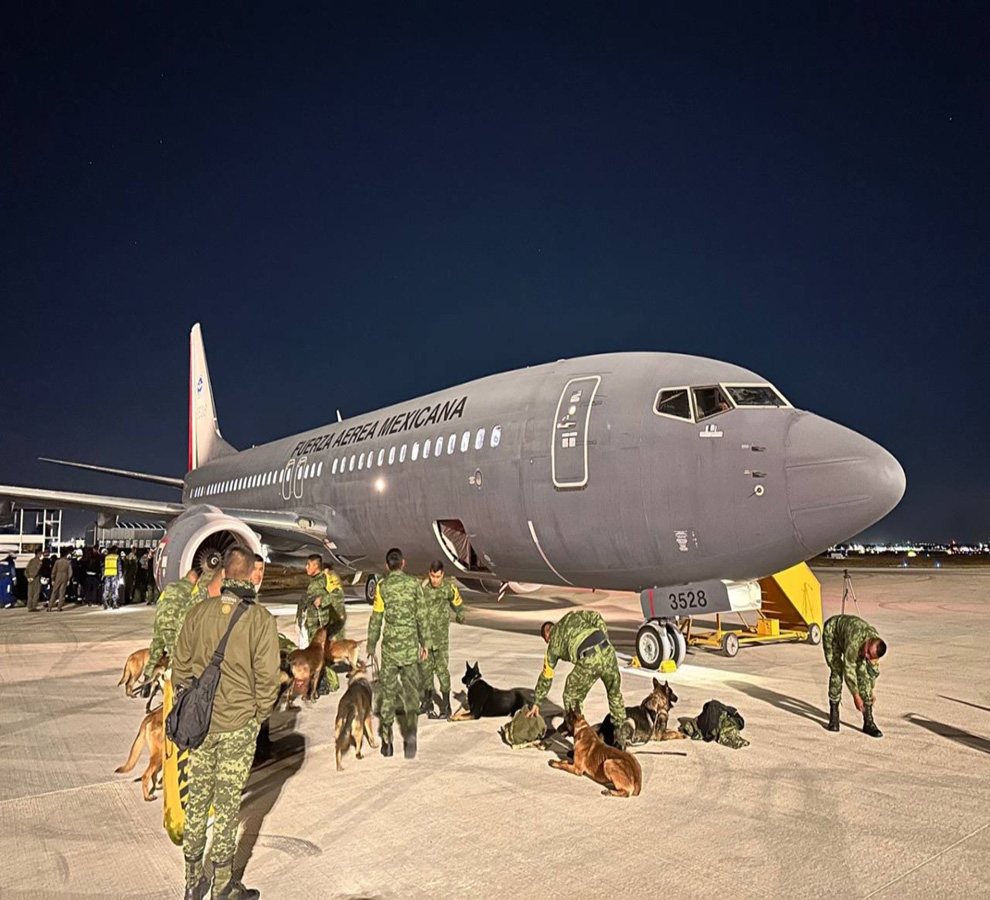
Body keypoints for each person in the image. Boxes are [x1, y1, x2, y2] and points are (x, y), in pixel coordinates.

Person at [172, 545, 280, 900]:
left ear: (223, 575)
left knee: (198, 802)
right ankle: (221, 885)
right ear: (250, 575)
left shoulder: (198, 613)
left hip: (201, 728)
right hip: (237, 726)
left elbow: (180, 667)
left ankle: (191, 882)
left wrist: (191, 704)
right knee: (228, 804)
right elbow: (267, 681)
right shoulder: (260, 619)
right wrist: (256, 718)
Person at [525, 609, 632, 749]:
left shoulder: (553, 644)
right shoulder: (572, 616)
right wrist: (603, 637)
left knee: (571, 695)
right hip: (608, 651)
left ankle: (580, 742)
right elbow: (596, 616)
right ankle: (620, 738)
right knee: (614, 694)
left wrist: (537, 702)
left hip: (589, 658)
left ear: (547, 636)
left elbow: (547, 675)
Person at [366, 547, 427, 759]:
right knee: (411, 694)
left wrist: (371, 644)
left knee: (388, 695)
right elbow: (422, 616)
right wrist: (425, 643)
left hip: (390, 650)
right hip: (410, 648)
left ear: (386, 566)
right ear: (403, 563)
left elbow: (376, 617)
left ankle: (387, 741)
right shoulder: (414, 585)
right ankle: (410, 737)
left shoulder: (382, 587)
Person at [823, 614, 887, 738]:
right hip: (833, 633)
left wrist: (870, 692)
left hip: (850, 638)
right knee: (837, 671)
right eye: (867, 652)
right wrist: (856, 696)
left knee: (863, 674)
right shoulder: (855, 642)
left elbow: (871, 672)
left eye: (870, 655)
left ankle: (868, 722)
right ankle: (834, 715)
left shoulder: (875, 643)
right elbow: (849, 670)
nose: (867, 656)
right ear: (868, 642)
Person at [418, 560, 465, 719]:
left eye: (438, 577)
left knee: (442, 672)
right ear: (429, 574)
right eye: (432, 576)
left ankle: (446, 705)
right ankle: (427, 702)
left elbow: (458, 603)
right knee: (426, 672)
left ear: (442, 575)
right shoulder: (423, 589)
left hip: (441, 640)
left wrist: (460, 614)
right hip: (426, 640)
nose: (435, 580)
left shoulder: (448, 589)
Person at [142, 569, 200, 681]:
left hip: (160, 620)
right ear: (195, 581)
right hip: (172, 625)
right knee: (175, 654)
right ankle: (172, 682)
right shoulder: (191, 591)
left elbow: (160, 601)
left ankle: (147, 678)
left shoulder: (170, 586)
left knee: (155, 650)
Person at [296, 554, 342, 646]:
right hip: (313, 628)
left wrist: (323, 599)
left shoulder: (326, 578)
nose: (306, 567)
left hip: (321, 627)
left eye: (308, 565)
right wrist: (299, 620)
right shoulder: (314, 581)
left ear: (316, 566)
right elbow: (307, 601)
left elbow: (338, 594)